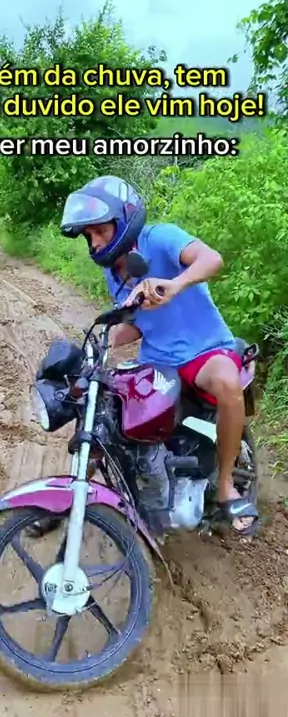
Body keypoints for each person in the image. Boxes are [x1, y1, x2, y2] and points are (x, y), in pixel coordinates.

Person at [29, 174, 259, 539]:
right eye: (89, 236)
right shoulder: (115, 273)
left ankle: (227, 485)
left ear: (123, 221)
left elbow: (211, 258)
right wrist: (99, 344)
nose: (95, 242)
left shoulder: (160, 238)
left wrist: (175, 284)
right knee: (106, 412)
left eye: (100, 231)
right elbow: (137, 324)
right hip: (158, 360)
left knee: (226, 382)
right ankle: (72, 494)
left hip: (204, 351)